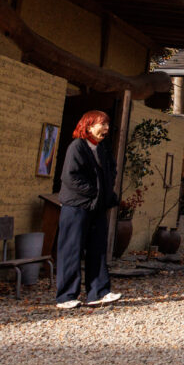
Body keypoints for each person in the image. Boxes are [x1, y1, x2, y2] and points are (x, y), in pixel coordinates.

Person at [55, 110, 121, 309]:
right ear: (89, 126)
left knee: (97, 249)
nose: (107, 129)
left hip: (97, 207)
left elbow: (111, 172)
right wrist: (95, 193)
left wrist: (107, 196)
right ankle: (66, 297)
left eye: (108, 125)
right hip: (76, 207)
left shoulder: (102, 149)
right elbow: (70, 177)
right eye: (103, 124)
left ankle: (99, 293)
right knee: (71, 250)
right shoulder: (77, 147)